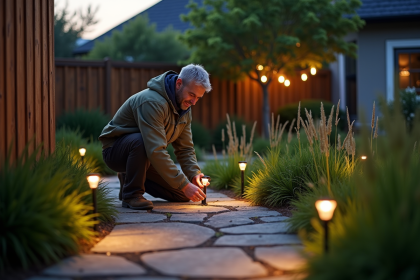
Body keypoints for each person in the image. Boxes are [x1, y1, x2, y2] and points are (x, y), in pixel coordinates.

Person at [99, 64, 212, 210]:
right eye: (192, 95)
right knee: (140, 141)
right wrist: (184, 184)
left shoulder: (184, 108)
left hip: (145, 155)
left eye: (198, 97)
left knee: (183, 195)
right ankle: (132, 195)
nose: (194, 102)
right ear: (178, 84)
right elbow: (155, 149)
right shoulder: (152, 102)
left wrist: (193, 176)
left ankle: (129, 178)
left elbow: (185, 149)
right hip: (116, 152)